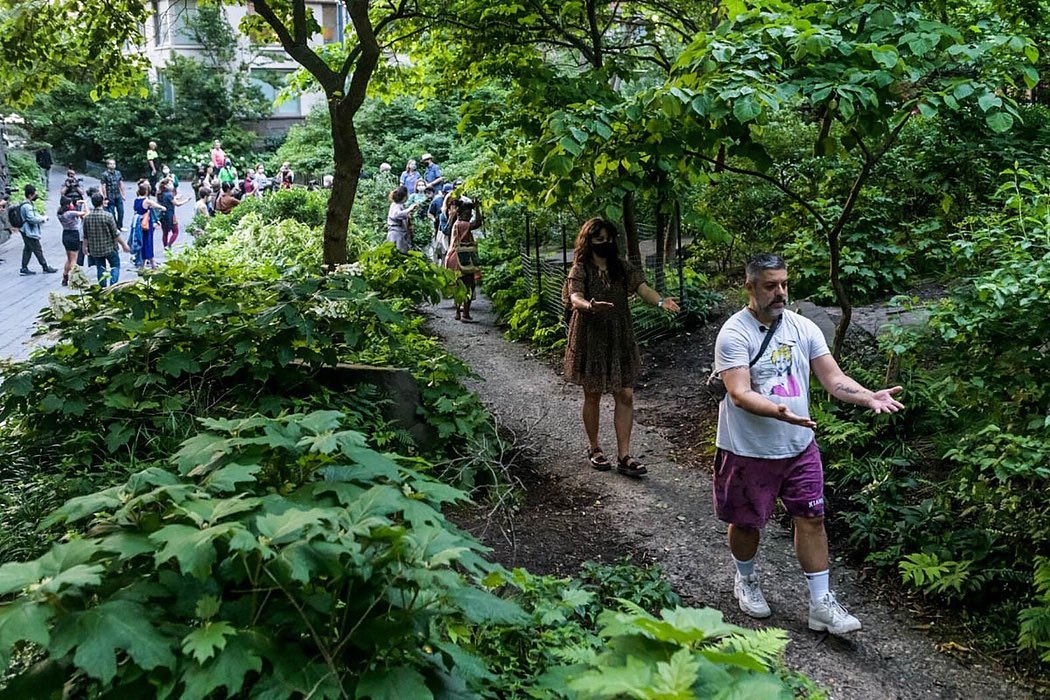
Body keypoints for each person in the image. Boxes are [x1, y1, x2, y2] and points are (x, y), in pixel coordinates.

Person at [711, 253, 904, 634]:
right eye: (770, 285)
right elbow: (738, 392)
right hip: (748, 449)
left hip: (800, 446)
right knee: (747, 523)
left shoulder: (803, 328)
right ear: (749, 287)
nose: (780, 292)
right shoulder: (734, 334)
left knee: (812, 518)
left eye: (783, 284)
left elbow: (833, 379)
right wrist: (778, 410)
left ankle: (821, 603)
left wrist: (867, 396)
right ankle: (746, 578)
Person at [563, 218, 679, 476]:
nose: (605, 243)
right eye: (599, 239)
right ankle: (594, 448)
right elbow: (575, 297)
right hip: (590, 336)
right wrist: (590, 306)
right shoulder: (580, 269)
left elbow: (642, 288)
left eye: (608, 238)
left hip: (619, 335)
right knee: (592, 393)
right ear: (588, 242)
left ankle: (624, 455)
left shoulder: (622, 268)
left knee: (625, 394)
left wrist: (660, 302)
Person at [444, 201, 485, 322]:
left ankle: (458, 312)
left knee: (459, 285)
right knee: (469, 285)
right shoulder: (462, 224)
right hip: (460, 258)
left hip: (453, 257)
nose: (470, 216)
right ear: (460, 214)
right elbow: (478, 223)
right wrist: (478, 209)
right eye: (468, 214)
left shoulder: (456, 223)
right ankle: (465, 314)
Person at [83, 192, 130, 287]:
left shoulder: (87, 218)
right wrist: (124, 245)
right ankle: (113, 285)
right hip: (109, 247)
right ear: (102, 202)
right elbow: (115, 234)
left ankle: (103, 288)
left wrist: (84, 247)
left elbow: (85, 235)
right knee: (115, 266)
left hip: (95, 249)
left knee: (100, 268)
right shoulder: (108, 216)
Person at [16, 184, 58, 276]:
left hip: (26, 230)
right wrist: (43, 219)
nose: (36, 195)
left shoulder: (27, 204)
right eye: (35, 194)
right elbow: (31, 218)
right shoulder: (27, 206)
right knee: (37, 249)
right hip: (29, 231)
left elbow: (34, 215)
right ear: (30, 195)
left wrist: (42, 217)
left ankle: (24, 268)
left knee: (28, 249)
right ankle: (45, 266)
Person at [130, 183, 164, 269]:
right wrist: (163, 208)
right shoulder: (146, 201)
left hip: (138, 225)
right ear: (146, 191)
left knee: (142, 243)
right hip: (146, 225)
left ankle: (143, 264)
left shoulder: (136, 200)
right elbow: (156, 205)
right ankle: (150, 264)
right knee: (148, 243)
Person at [57, 195, 89, 286]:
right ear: (67, 205)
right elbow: (85, 213)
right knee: (74, 259)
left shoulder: (60, 213)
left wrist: (74, 203)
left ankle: (65, 276)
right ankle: (74, 279)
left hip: (65, 234)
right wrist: (85, 203)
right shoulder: (70, 213)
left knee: (69, 258)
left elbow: (71, 209)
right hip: (73, 235)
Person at [157, 180, 189, 250]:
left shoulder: (160, 194)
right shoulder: (169, 195)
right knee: (175, 231)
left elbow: (172, 199)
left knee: (165, 232)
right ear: (165, 185)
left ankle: (165, 246)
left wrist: (177, 197)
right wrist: (186, 200)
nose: (171, 184)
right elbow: (177, 204)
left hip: (162, 215)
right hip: (170, 214)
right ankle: (169, 245)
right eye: (170, 183)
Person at [386, 186, 419, 253]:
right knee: (397, 255)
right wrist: (409, 209)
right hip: (396, 234)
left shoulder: (400, 205)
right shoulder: (395, 205)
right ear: (404, 197)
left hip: (401, 234)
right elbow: (396, 215)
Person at [99, 159, 125, 230]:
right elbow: (103, 185)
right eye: (111, 164)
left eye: (114, 164)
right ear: (108, 165)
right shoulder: (104, 174)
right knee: (112, 212)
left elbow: (121, 183)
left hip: (118, 194)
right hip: (110, 195)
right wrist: (105, 196)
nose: (113, 165)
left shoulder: (118, 173)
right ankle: (115, 227)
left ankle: (120, 226)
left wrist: (123, 194)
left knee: (121, 211)